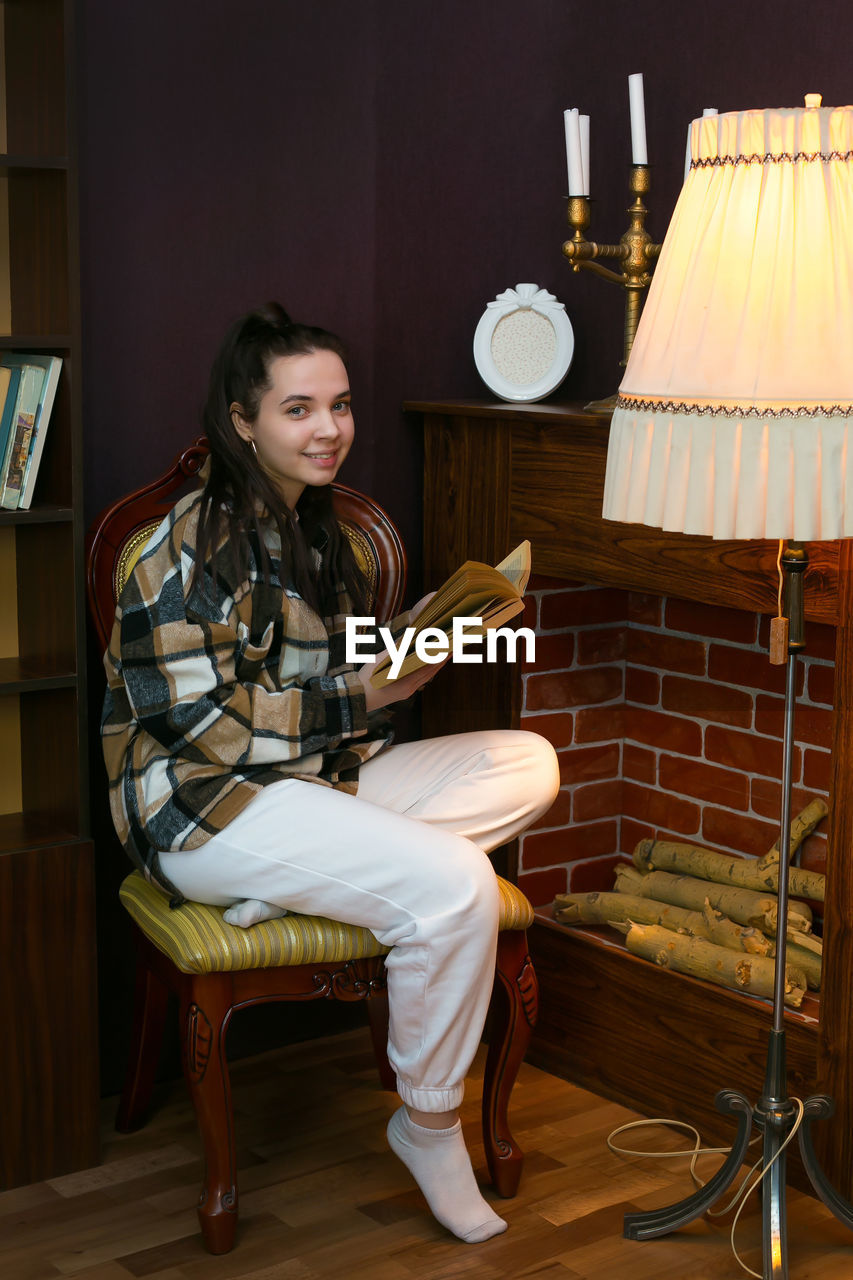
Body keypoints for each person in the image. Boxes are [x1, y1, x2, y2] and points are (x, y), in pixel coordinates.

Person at [102, 301, 560, 1244]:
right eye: (299, 409)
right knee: (455, 885)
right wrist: (369, 698)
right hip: (203, 813)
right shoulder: (179, 553)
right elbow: (205, 730)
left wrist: (422, 632)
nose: (330, 430)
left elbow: (323, 661)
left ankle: (302, 883)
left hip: (314, 783)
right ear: (243, 421)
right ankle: (427, 1122)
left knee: (528, 765)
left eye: (340, 406)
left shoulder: (325, 535)